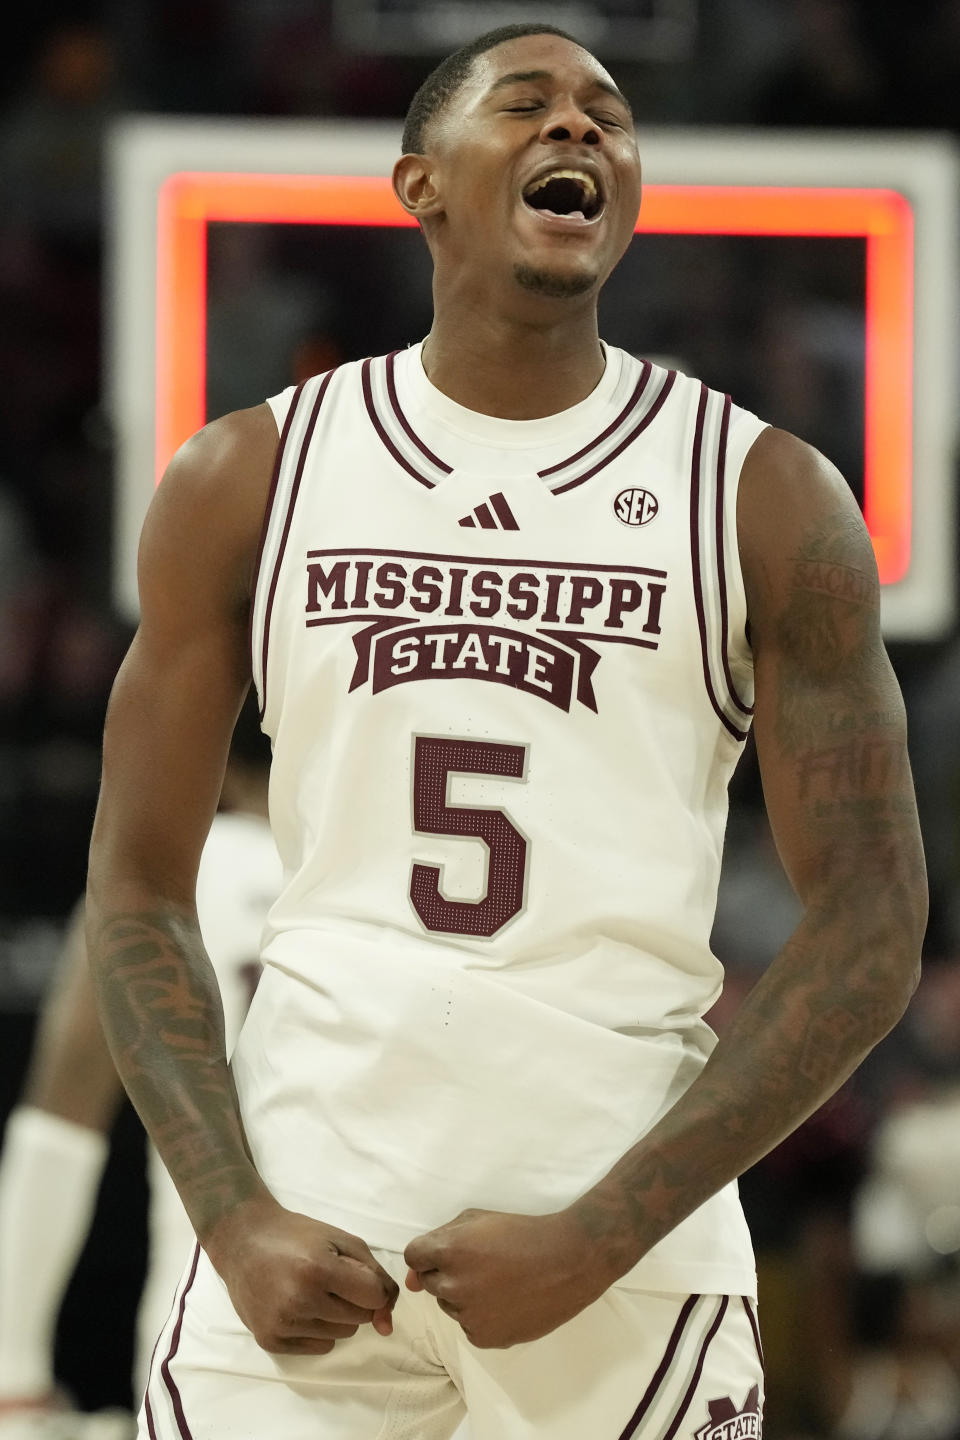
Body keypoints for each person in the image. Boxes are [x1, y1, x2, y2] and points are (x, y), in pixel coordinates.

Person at [84, 22, 927, 1440]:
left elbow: (874, 921)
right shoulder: (252, 476)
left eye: (610, 116)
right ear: (419, 182)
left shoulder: (764, 497)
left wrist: (609, 1231)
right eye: (527, 105)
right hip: (305, 1237)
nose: (579, 132)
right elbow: (136, 889)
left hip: (624, 1272)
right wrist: (229, 1216)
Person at [0, 699, 279, 1438]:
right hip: (408, 1308)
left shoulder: (167, 871)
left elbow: (61, 1123)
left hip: (217, 1329)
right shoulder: (377, 873)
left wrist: (13, 1377)